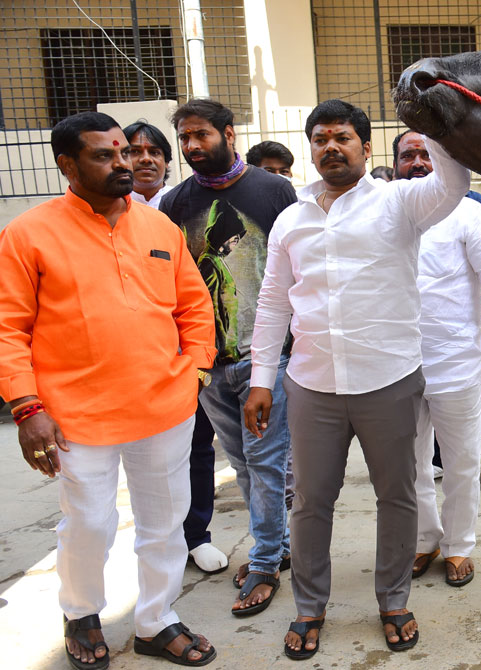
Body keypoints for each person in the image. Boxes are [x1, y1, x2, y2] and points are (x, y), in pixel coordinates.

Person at [243, 99, 468, 658]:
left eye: (342, 137)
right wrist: (261, 379)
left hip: (387, 379)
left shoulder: (400, 202)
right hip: (312, 384)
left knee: (397, 495)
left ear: (365, 148)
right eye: (320, 139)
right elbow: (273, 304)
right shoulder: (292, 219)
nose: (330, 148)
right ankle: (309, 607)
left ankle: (393, 600)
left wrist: (434, 121)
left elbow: (453, 184)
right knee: (310, 501)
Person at [0, 111, 218, 668]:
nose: (124, 163)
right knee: (90, 522)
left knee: (165, 521)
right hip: (74, 415)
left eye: (124, 151)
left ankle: (156, 620)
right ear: (67, 165)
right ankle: (81, 612)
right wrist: (26, 407)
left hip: (164, 407)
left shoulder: (158, 228)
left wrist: (195, 370)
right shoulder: (28, 233)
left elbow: (194, 306)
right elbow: (8, 327)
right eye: (104, 155)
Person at [160, 98, 297, 616]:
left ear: (228, 134)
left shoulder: (273, 190)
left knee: (265, 462)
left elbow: (296, 268)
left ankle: (264, 562)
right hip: (208, 364)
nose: (192, 145)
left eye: (201, 134)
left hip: (267, 360)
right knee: (242, 462)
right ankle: (278, 545)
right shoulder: (174, 203)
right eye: (185, 138)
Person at [394, 131, 481, 588]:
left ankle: (458, 546)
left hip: (455, 362)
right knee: (410, 465)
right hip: (397, 366)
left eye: (427, 154)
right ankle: (424, 540)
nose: (418, 162)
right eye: (408, 155)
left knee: (461, 462)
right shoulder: (387, 211)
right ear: (394, 164)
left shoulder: (468, 212)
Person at [123, 120, 174, 208]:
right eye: (135, 151)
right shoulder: (109, 205)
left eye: (154, 152)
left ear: (166, 162)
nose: (146, 159)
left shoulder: (183, 201)